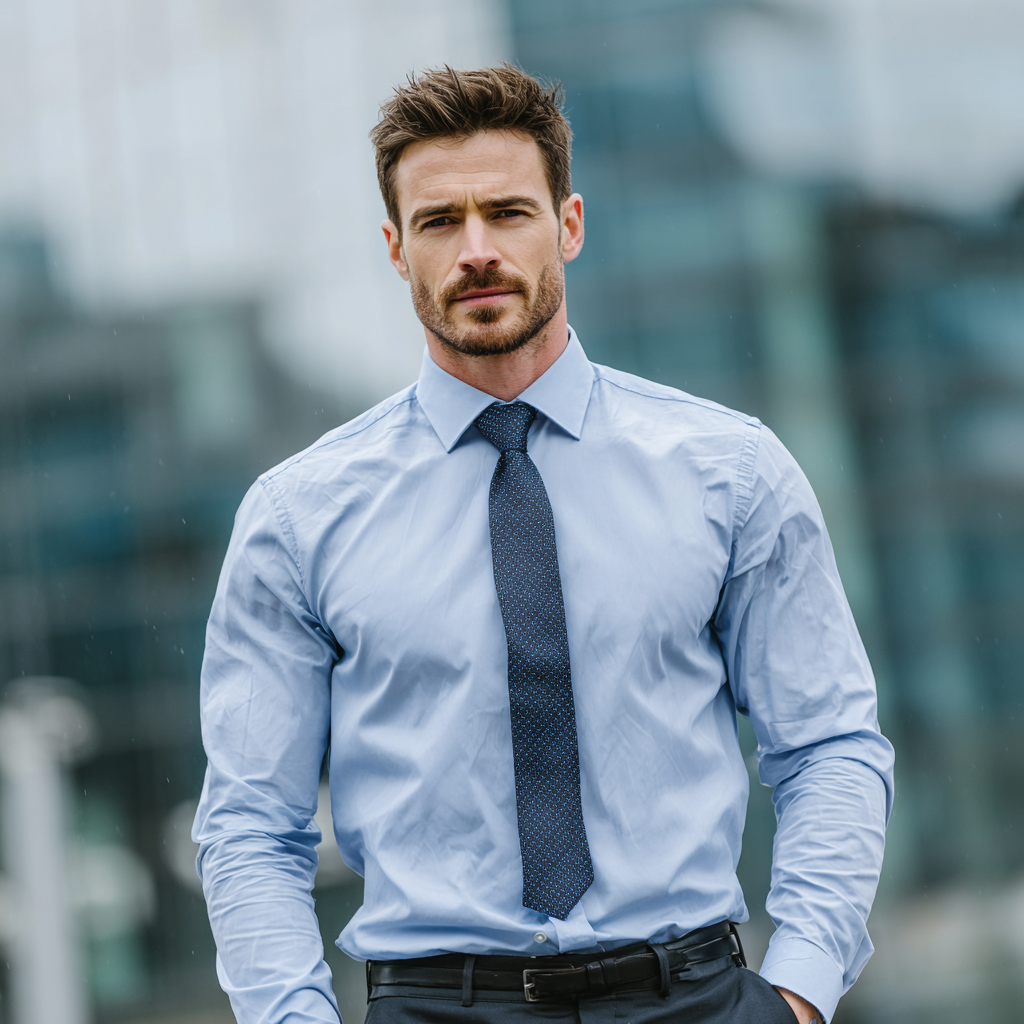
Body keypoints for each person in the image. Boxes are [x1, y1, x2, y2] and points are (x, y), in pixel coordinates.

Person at [194, 65, 894, 1024]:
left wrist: (801, 991)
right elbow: (249, 826)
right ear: (397, 249)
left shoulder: (731, 472)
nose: (477, 249)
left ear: (567, 224)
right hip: (436, 1003)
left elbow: (828, 746)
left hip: (695, 997)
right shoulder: (298, 517)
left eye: (508, 212)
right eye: (441, 222)